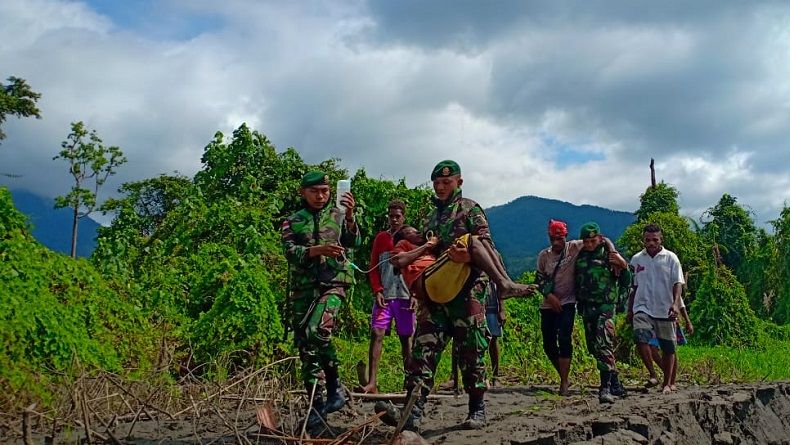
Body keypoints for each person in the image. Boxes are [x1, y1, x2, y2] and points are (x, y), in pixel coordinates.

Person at [375, 160, 536, 432]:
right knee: (423, 349)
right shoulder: (429, 217)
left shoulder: (470, 209)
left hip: (469, 288)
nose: (440, 187)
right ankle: (412, 412)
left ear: (458, 183)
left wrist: (468, 259)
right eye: (436, 182)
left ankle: (477, 408)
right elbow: (427, 252)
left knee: (472, 350)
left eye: (446, 182)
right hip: (439, 291)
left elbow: (487, 245)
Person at [281, 171, 361, 436]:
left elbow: (354, 242)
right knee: (306, 346)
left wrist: (350, 217)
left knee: (319, 330)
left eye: (325, 191)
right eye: (315, 191)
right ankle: (316, 405)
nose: (321, 196)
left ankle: (336, 386)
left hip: (333, 283)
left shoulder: (339, 216)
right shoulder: (292, 221)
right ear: (302, 192)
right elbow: (290, 253)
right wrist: (317, 250)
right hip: (303, 289)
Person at [536, 219, 622, 396]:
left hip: (573, 303)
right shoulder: (545, 256)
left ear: (565, 237)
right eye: (553, 238)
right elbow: (539, 279)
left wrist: (613, 252)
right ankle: (612, 381)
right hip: (554, 304)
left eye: (559, 238)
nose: (556, 242)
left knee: (571, 339)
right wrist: (549, 296)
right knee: (549, 344)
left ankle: (576, 383)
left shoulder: (576, 248)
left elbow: (602, 240)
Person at [358, 200, 414, 394]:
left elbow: (419, 267)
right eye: (391, 216)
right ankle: (372, 382)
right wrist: (377, 290)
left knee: (406, 338)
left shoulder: (410, 238)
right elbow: (372, 267)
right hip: (386, 295)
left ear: (403, 217)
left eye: (398, 216)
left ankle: (409, 382)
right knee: (377, 333)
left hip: (406, 296)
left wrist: (416, 294)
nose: (394, 219)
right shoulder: (381, 238)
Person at [574, 222, 629, 404]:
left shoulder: (610, 255)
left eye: (593, 240)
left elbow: (626, 278)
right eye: (586, 241)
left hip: (606, 306)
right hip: (588, 307)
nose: (590, 244)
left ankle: (604, 389)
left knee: (603, 343)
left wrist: (621, 300)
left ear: (599, 238)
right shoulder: (581, 256)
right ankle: (615, 382)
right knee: (593, 347)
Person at [628, 224, 685, 395]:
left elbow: (678, 283)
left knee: (668, 348)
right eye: (647, 240)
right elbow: (633, 286)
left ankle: (667, 383)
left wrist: (675, 304)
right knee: (640, 337)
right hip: (642, 306)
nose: (651, 243)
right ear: (643, 240)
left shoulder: (671, 258)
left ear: (661, 240)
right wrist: (630, 310)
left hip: (664, 308)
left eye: (655, 240)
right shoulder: (636, 259)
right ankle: (653, 374)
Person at [645, 302, 694, 390]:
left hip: (669, 318)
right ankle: (667, 374)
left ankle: (671, 382)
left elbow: (681, 304)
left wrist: (688, 321)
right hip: (653, 319)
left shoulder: (673, 290)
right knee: (653, 349)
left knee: (671, 350)